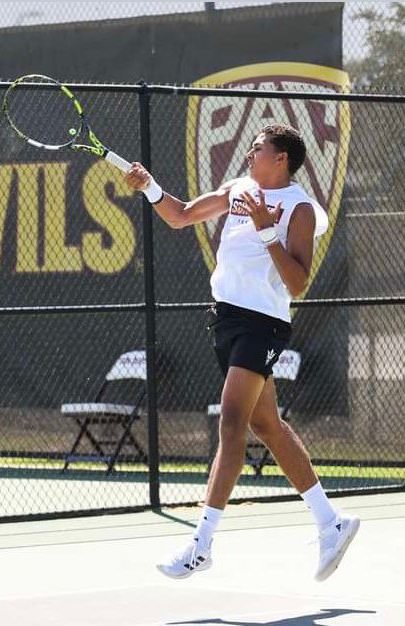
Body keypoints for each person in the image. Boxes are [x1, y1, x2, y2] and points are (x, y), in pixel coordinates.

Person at [124, 123, 359, 582]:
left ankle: (202, 543)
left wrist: (267, 231)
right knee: (266, 424)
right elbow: (181, 215)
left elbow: (298, 282)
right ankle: (331, 523)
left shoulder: (301, 210)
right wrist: (149, 185)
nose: (248, 154)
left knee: (231, 424)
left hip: (263, 324)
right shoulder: (237, 189)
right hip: (227, 319)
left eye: (257, 149)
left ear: (281, 159)